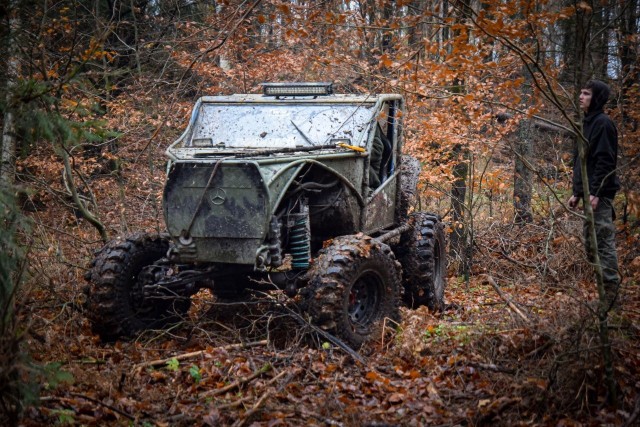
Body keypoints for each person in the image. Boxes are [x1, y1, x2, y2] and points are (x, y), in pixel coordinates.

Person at [568, 79, 621, 309]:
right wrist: (578, 193)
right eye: (580, 92)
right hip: (589, 194)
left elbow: (605, 161)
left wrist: (597, 193)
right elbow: (583, 162)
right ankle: (603, 293)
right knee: (591, 245)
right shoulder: (586, 123)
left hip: (601, 195)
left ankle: (611, 298)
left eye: (586, 93)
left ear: (596, 98)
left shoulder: (603, 124)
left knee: (603, 244)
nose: (581, 96)